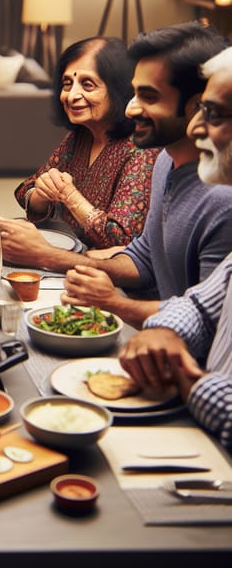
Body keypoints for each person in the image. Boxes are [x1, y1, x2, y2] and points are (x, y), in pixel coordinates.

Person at [0, 21, 232, 328]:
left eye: (148, 96)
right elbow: (142, 258)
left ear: (196, 108)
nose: (132, 108)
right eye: (134, 93)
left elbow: (209, 322)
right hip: (148, 325)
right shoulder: (166, 161)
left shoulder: (220, 198)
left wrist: (51, 257)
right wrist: (55, 256)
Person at [119, 45, 232, 451]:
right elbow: (204, 303)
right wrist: (166, 329)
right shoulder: (165, 163)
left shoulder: (222, 199)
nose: (198, 128)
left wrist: (185, 378)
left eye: (213, 114)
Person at [15, 36, 160, 249]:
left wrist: (70, 196)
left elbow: (121, 238)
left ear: (117, 90)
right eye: (67, 83)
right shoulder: (80, 137)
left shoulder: (141, 148)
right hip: (71, 256)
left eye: (87, 84)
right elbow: (25, 190)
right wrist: (40, 195)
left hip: (108, 274)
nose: (72, 95)